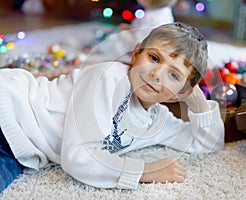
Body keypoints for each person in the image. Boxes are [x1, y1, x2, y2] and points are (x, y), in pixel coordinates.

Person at [0, 22, 224, 192]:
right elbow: (79, 157)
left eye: (173, 74)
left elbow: (208, 143)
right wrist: (145, 170)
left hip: (19, 152)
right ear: (136, 54)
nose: (156, 74)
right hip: (10, 109)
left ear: (181, 92)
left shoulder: (156, 120)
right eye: (154, 58)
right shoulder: (108, 79)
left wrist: (197, 102)